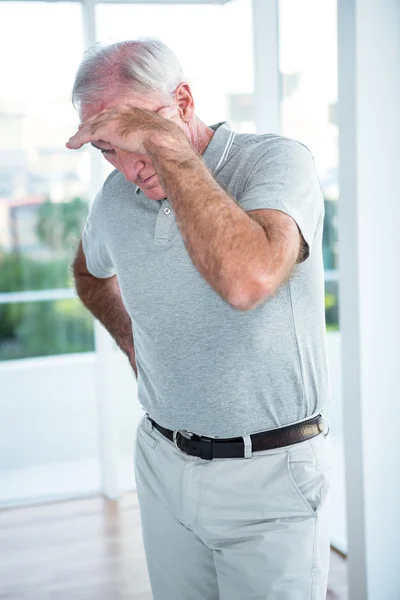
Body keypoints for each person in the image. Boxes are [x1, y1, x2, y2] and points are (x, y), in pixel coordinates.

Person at [68, 38, 333, 600]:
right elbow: (90, 273)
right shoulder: (116, 198)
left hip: (270, 477)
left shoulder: (275, 162)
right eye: (108, 149)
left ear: (183, 101)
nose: (131, 166)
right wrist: (133, 345)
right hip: (162, 465)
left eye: (142, 136)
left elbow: (247, 280)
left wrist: (173, 154)